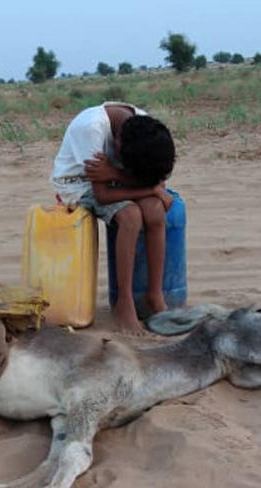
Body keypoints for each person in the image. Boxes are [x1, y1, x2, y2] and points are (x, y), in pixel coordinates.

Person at [51, 102, 176, 333]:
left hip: (118, 178)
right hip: (78, 184)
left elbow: (155, 176)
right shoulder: (91, 130)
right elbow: (104, 194)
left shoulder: (144, 126)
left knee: (155, 210)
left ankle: (155, 295)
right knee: (130, 216)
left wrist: (121, 175)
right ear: (117, 146)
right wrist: (150, 188)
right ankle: (124, 303)